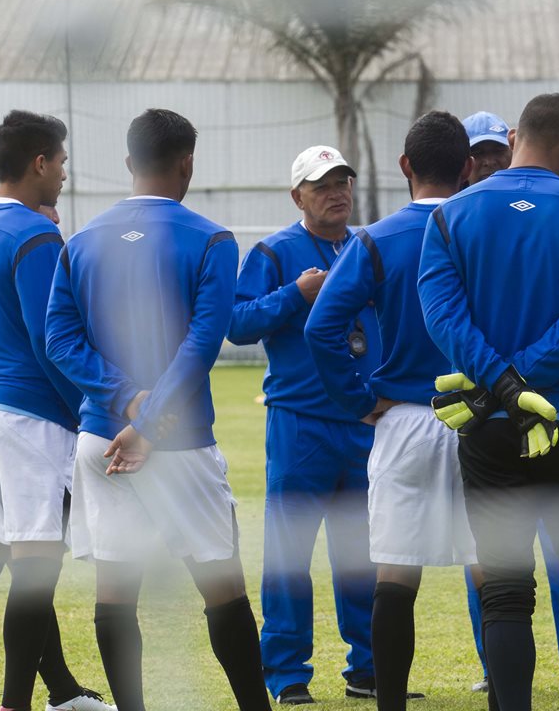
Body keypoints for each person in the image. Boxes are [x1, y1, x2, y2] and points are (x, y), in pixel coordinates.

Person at [44, 108, 270, 711]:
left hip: (100, 441)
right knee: (223, 589)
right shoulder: (213, 239)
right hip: (178, 443)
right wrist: (148, 420)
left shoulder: (82, 241)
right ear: (187, 162)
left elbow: (59, 340)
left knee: (116, 593)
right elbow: (202, 345)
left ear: (128, 163)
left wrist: (124, 401)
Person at [420, 93, 559, 711]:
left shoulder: (452, 217)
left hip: (490, 428)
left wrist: (502, 387)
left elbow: (442, 317)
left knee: (505, 591)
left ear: (514, 137)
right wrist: (524, 381)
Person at [0, 112, 114, 711]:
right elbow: (50, 340)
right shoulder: (37, 237)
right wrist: (83, 411)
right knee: (35, 567)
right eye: (61, 162)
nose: (63, 174)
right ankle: (15, 705)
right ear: (39, 162)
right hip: (29, 416)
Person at [305, 112, 474, 710]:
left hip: (403, 418)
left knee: (395, 574)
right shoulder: (483, 230)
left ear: (405, 167)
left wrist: (360, 401)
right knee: (496, 574)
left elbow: (321, 325)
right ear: (470, 167)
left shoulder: (375, 239)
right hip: (481, 417)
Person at [227, 144, 382, 705]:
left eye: (342, 181)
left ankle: (368, 669)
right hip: (300, 423)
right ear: (298, 196)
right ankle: (288, 675)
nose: (336, 192)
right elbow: (237, 323)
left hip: (364, 421)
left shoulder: (369, 246)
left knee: (363, 553)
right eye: (321, 185)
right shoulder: (276, 250)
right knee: (290, 554)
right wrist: (295, 294)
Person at [460, 108, 559, 700]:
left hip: (536, 405)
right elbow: (444, 319)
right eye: (475, 153)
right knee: (485, 555)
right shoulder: (456, 220)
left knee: (558, 545)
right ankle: (497, 664)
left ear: (511, 146)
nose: (485, 161)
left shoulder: (547, 212)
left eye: (492, 150)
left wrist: (503, 383)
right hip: (473, 412)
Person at [463, 112, 513, 185]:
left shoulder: (530, 193)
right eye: (477, 153)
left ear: (512, 154)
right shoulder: (448, 196)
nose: (489, 162)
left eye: (498, 151)